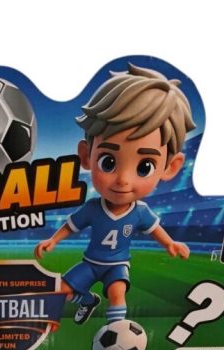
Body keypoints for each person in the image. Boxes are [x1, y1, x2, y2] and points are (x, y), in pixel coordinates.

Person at [34, 64, 195, 325]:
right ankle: (88, 300)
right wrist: (53, 241)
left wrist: (170, 244)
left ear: (170, 167)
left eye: (144, 167)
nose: (123, 179)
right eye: (108, 162)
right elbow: (71, 225)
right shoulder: (93, 208)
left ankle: (116, 332)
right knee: (62, 292)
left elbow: (155, 229)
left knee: (117, 293)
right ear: (86, 156)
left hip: (118, 265)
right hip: (90, 262)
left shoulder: (140, 212)